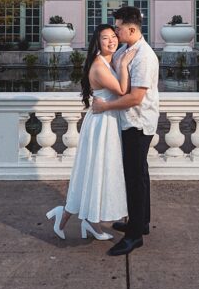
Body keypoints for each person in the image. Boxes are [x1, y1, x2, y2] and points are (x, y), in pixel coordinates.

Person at [45, 24, 137, 241]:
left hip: (107, 119)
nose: (111, 41)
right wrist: (125, 64)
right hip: (101, 123)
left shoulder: (108, 61)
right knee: (94, 171)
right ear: (97, 42)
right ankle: (68, 215)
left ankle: (88, 221)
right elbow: (123, 90)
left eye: (114, 36)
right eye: (105, 38)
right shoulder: (99, 66)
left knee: (99, 172)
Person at [91, 5, 159, 256]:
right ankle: (141, 222)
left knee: (134, 177)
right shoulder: (125, 50)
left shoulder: (144, 57)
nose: (115, 31)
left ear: (131, 29)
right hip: (127, 121)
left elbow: (135, 98)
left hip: (137, 123)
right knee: (139, 173)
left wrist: (105, 106)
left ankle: (134, 236)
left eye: (118, 28)